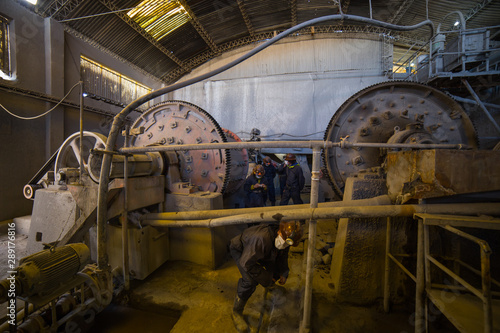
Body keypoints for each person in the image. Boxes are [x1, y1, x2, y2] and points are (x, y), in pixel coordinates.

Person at [229, 221, 303, 331]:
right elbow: (246, 263)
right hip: (241, 250)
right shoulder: (262, 239)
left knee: (273, 266)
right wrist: (267, 280)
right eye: (284, 241)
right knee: (250, 281)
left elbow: (282, 256)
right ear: (279, 231)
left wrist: (283, 273)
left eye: (287, 244)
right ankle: (236, 311)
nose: (284, 245)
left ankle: (270, 286)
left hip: (257, 250)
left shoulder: (286, 238)